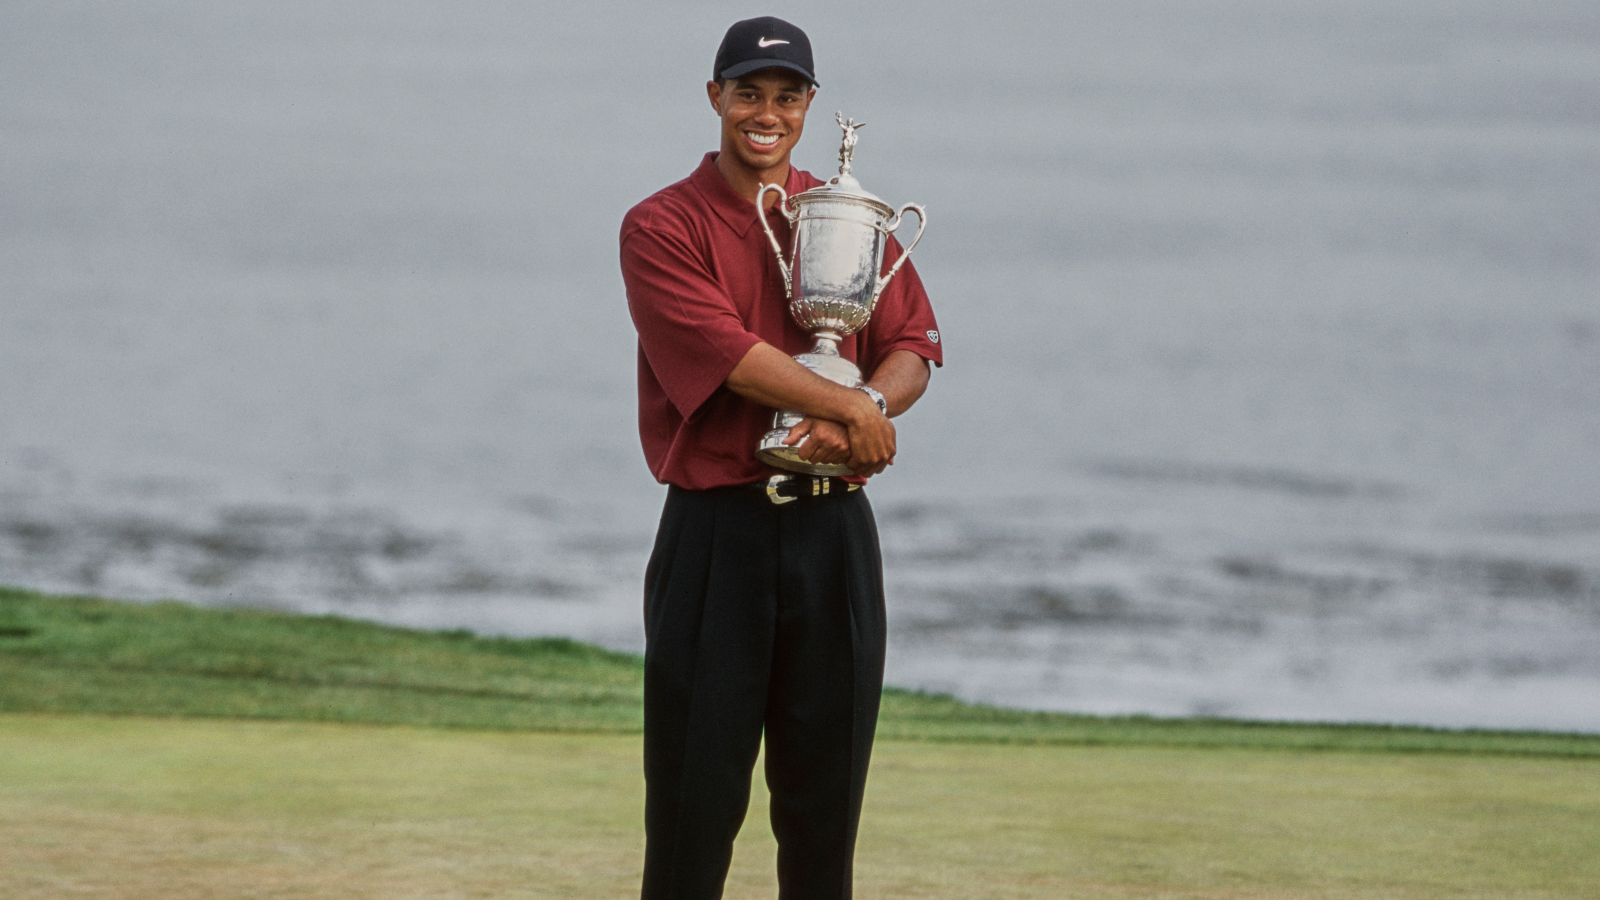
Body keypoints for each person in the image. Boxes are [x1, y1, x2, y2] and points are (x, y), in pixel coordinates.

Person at [619, 16, 942, 900]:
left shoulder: (841, 214)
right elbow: (728, 354)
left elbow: (911, 341)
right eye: (749, 93)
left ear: (809, 107)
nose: (767, 113)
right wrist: (849, 405)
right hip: (716, 539)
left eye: (787, 96)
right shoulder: (661, 225)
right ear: (715, 96)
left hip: (834, 539)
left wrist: (868, 405)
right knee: (692, 812)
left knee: (824, 815)